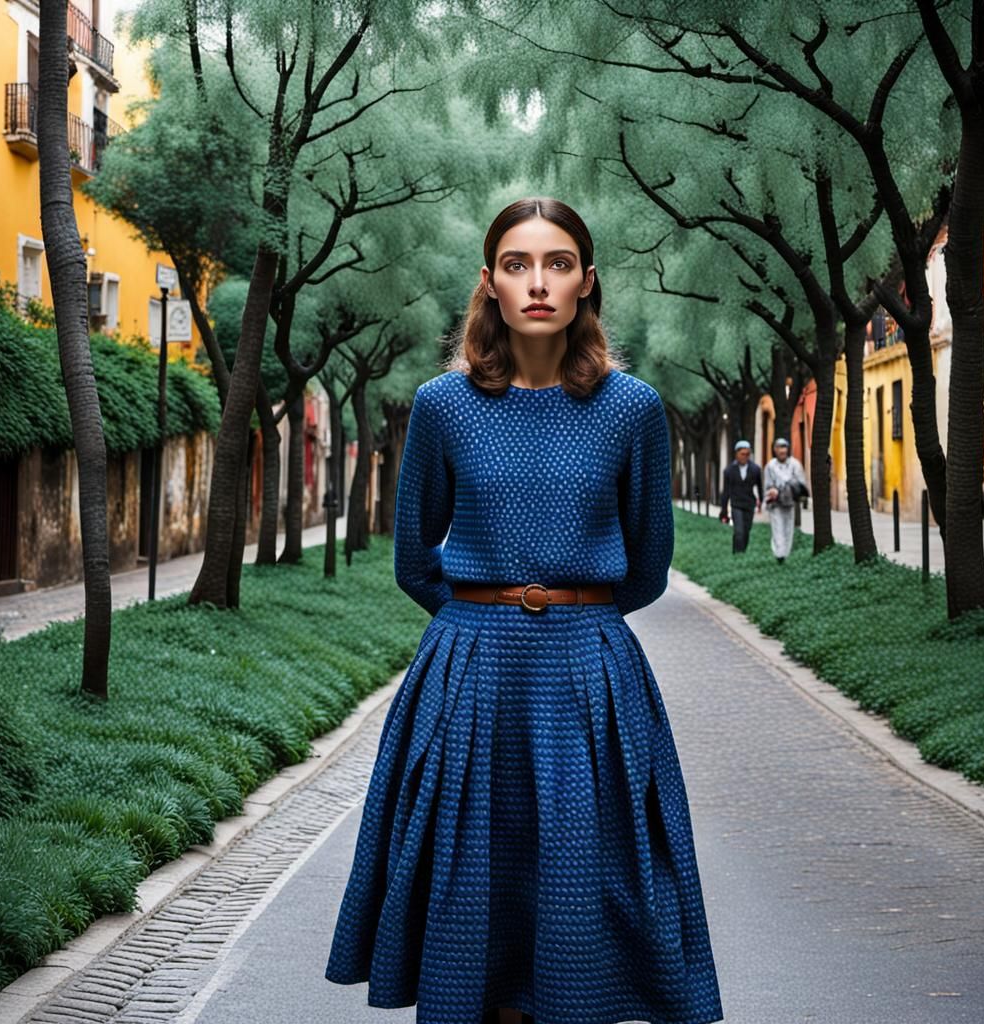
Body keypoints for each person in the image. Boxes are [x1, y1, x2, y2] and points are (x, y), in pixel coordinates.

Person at [324, 198, 724, 1024]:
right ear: (490, 284)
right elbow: (413, 559)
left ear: (587, 283)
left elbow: (647, 570)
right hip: (470, 676)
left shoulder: (632, 410)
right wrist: (483, 618)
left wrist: (579, 618)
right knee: (480, 892)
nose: (537, 282)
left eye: (558, 263)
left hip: (589, 675)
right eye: (516, 264)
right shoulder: (443, 406)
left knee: (586, 887)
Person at [763, 437, 808, 562]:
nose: (782, 451)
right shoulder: (770, 466)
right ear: (775, 450)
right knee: (777, 528)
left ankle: (785, 553)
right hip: (775, 503)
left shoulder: (795, 464)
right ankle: (779, 555)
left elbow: (801, 482)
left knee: (788, 528)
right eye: (779, 448)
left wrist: (794, 489)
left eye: (784, 448)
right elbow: (767, 484)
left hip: (790, 501)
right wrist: (772, 491)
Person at [718, 440, 763, 553]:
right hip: (736, 504)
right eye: (742, 454)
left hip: (749, 504)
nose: (745, 457)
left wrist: (761, 502)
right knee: (739, 531)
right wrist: (723, 509)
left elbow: (760, 487)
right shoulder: (729, 471)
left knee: (746, 530)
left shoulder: (755, 469)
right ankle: (738, 554)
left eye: (747, 454)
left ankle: (741, 551)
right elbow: (726, 492)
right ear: (736, 454)